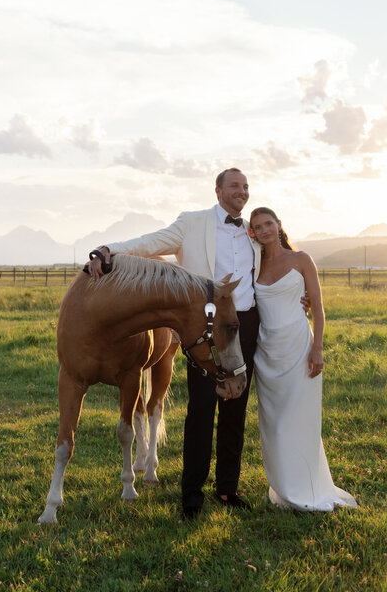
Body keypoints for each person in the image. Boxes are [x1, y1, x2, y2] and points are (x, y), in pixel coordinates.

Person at [86, 168, 261, 519]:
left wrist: (299, 296)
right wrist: (110, 250)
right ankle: (192, 497)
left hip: (247, 321)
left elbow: (277, 264)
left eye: (245, 187)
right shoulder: (192, 223)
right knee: (200, 411)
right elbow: (151, 242)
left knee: (235, 411)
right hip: (206, 328)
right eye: (234, 186)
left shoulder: (255, 230)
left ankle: (227, 488)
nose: (241, 192)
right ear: (218, 191)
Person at [247, 206, 357, 511]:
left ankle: (307, 488)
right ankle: (284, 489)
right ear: (252, 232)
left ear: (279, 224)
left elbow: (318, 307)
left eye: (269, 223)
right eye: (258, 226)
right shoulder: (253, 263)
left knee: (300, 422)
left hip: (298, 348)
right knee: (273, 425)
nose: (265, 229)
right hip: (266, 353)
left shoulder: (301, 260)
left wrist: (317, 347)